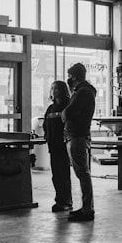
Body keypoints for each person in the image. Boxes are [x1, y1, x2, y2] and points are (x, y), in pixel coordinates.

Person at [61, 63, 97, 222]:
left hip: (77, 136)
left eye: (69, 76)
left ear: (74, 77)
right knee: (83, 172)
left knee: (82, 173)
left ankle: (87, 209)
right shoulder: (84, 91)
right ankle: (86, 207)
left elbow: (68, 112)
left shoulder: (82, 92)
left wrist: (64, 113)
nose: (68, 79)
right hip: (78, 135)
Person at [43, 80, 72, 212]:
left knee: (63, 174)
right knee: (56, 175)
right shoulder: (50, 109)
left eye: (56, 88)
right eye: (52, 88)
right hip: (53, 146)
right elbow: (45, 125)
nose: (53, 91)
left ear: (63, 91)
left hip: (63, 147)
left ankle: (66, 201)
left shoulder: (68, 106)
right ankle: (59, 199)